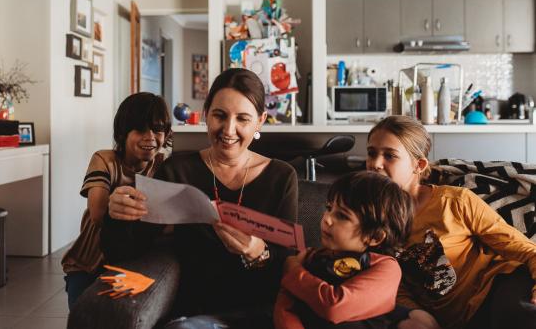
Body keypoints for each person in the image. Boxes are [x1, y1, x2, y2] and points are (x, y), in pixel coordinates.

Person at [106, 68, 299, 328]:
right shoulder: (178, 170)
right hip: (195, 312)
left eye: (242, 118)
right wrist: (117, 213)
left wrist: (258, 252)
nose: (228, 130)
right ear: (206, 113)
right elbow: (129, 250)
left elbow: (289, 261)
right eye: (220, 115)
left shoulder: (282, 176)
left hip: (261, 311)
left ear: (260, 121)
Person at [366, 115, 536, 329]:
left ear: (418, 165)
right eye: (371, 153)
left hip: (498, 287)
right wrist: (415, 313)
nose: (375, 164)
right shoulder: (371, 219)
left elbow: (521, 247)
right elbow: (390, 281)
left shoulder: (454, 201)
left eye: (389, 156)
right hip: (458, 319)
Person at [60, 92, 172, 310]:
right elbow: (98, 212)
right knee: (85, 316)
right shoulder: (105, 160)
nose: (150, 137)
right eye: (140, 129)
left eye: (157, 130)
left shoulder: (162, 164)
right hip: (88, 263)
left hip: (130, 261)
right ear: (122, 132)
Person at [274, 171, 426, 329]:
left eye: (342, 216)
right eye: (329, 208)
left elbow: (334, 307)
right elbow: (286, 306)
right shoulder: (312, 257)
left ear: (375, 237)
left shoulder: (386, 268)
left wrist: (293, 271)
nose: (326, 218)